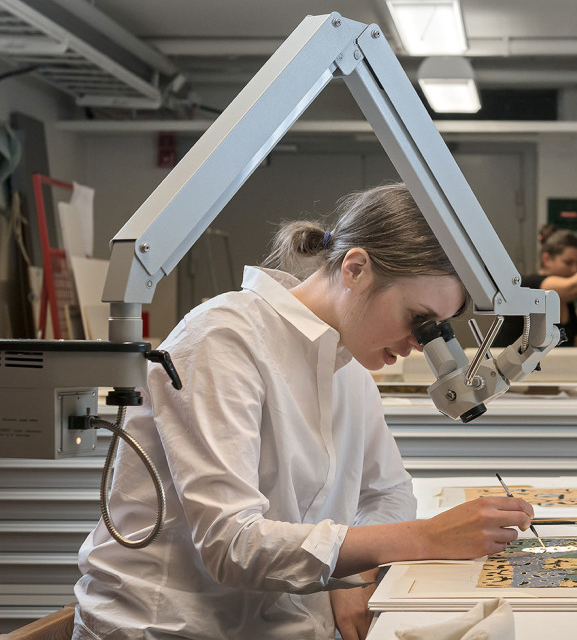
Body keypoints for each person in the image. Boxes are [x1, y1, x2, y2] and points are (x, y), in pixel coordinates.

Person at [72, 183, 535, 640]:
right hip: (171, 628)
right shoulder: (223, 339)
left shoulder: (348, 365)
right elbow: (232, 545)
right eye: (418, 319)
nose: (422, 344)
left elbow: (387, 492)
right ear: (355, 269)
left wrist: (355, 573)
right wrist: (424, 538)